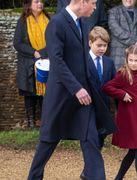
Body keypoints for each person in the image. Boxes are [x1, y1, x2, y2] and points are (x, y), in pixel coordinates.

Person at [27, 0, 116, 179]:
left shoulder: (81, 23)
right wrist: (76, 89)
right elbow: (57, 61)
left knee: (91, 139)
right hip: (62, 96)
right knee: (48, 141)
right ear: (81, 2)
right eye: (92, 3)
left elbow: (82, 59)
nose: (95, 7)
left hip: (83, 98)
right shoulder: (57, 23)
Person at [102, 45, 137, 180]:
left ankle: (118, 178)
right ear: (127, 59)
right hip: (129, 117)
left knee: (134, 151)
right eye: (130, 60)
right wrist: (122, 94)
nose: (133, 63)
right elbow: (107, 87)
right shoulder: (123, 74)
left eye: (136, 60)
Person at [13, 0, 50, 129]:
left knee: (45, 92)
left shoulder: (49, 20)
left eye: (41, 2)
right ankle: (31, 122)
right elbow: (17, 43)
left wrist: (43, 53)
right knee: (30, 93)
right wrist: (33, 53)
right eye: (36, 1)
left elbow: (54, 39)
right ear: (29, 4)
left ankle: (45, 121)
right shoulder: (22, 21)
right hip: (28, 62)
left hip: (46, 61)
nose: (40, 4)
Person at [108, 0, 137, 80]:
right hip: (120, 55)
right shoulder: (113, 12)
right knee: (121, 83)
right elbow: (117, 31)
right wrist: (136, 41)